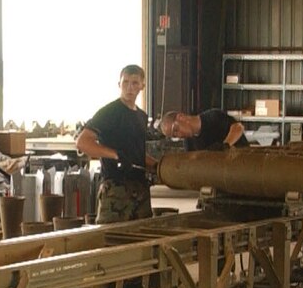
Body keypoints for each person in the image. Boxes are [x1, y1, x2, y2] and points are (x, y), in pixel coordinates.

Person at [75, 64, 154, 224]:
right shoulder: (109, 113)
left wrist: (158, 166)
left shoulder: (141, 117)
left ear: (142, 86)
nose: (129, 88)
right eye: (125, 82)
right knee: (110, 238)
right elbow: (82, 142)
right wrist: (115, 155)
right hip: (116, 187)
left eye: (134, 83)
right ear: (119, 84)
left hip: (140, 188)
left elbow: (137, 152)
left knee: (142, 238)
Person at [160, 108, 244, 152]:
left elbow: (238, 127)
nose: (179, 135)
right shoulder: (189, 145)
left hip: (244, 163)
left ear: (181, 117)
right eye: (175, 136)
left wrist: (225, 145)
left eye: (176, 130)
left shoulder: (213, 117)